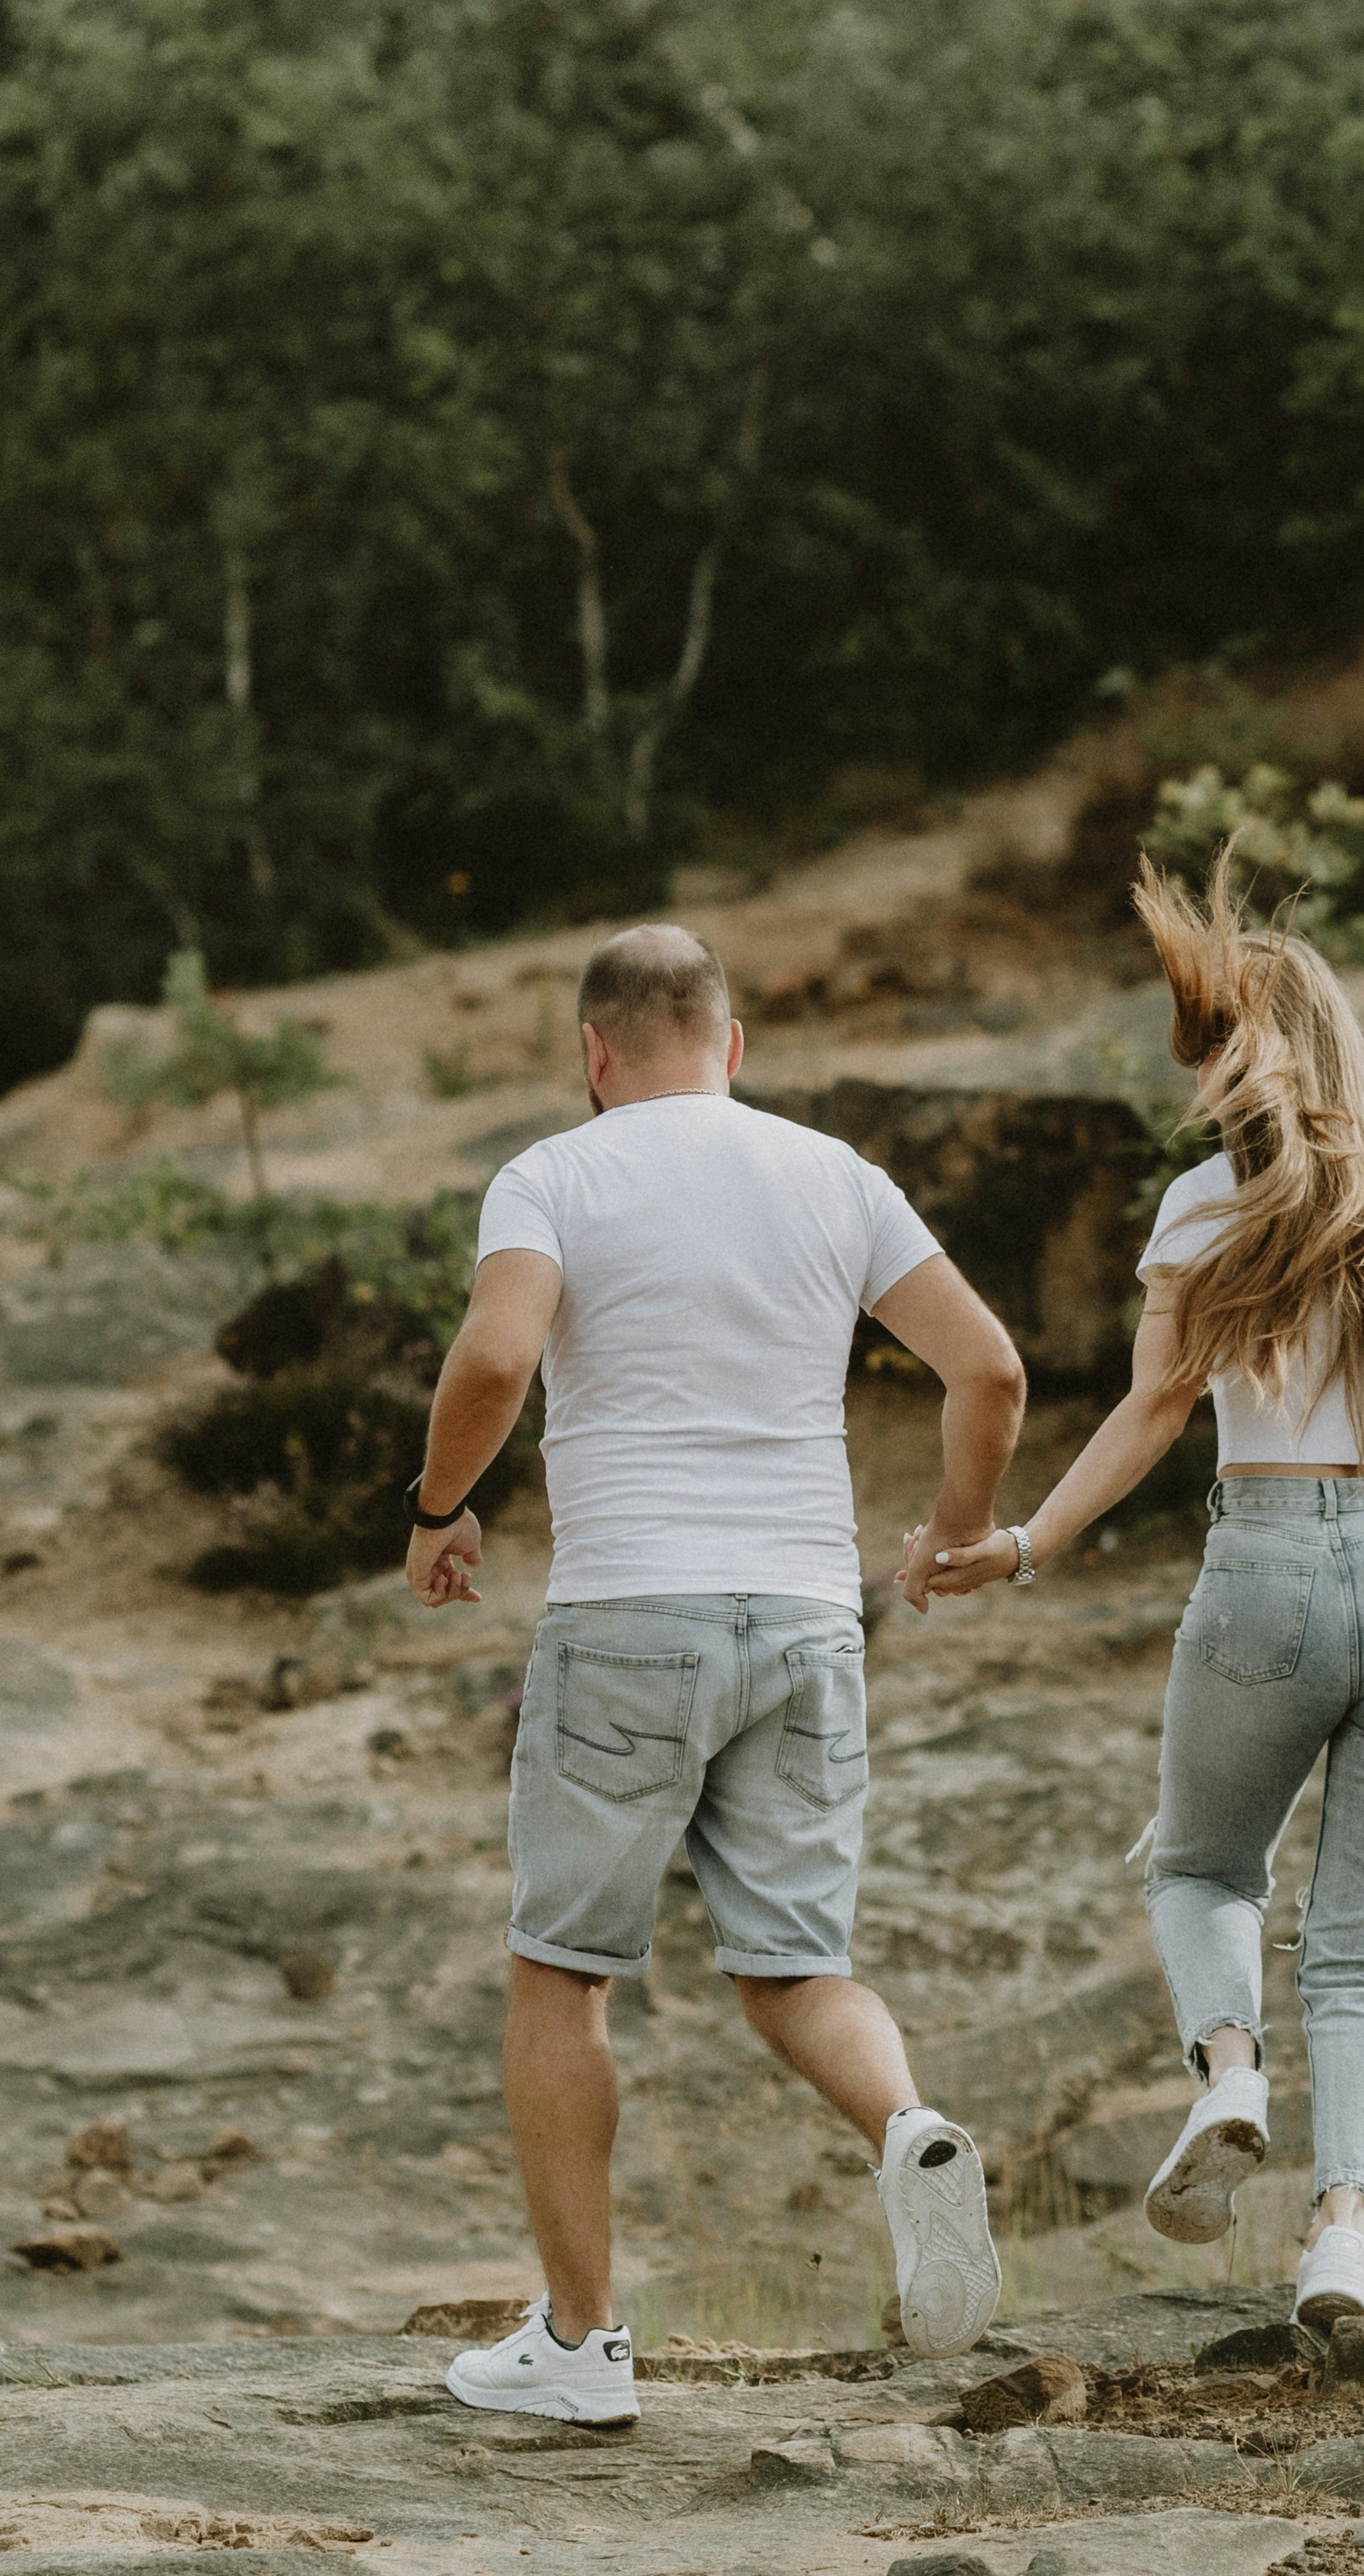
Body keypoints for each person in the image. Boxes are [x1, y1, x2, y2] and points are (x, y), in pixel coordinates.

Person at [407, 923, 1030, 2424]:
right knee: (797, 1970)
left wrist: (437, 1510)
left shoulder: (555, 1172)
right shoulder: (838, 1176)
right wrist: (952, 1533)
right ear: (732, 1042)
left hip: (631, 1613)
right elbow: (990, 1369)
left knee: (563, 1975)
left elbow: (495, 1362)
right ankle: (910, 2131)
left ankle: (582, 2345)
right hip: (811, 1619)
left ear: (595, 1054)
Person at [903, 857, 1364, 2330]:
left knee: (1199, 1866)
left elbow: (1157, 1409)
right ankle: (1343, 2242)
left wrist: (1025, 1544)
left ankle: (1230, 2077)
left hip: (1269, 1567)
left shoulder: (1200, 1207)